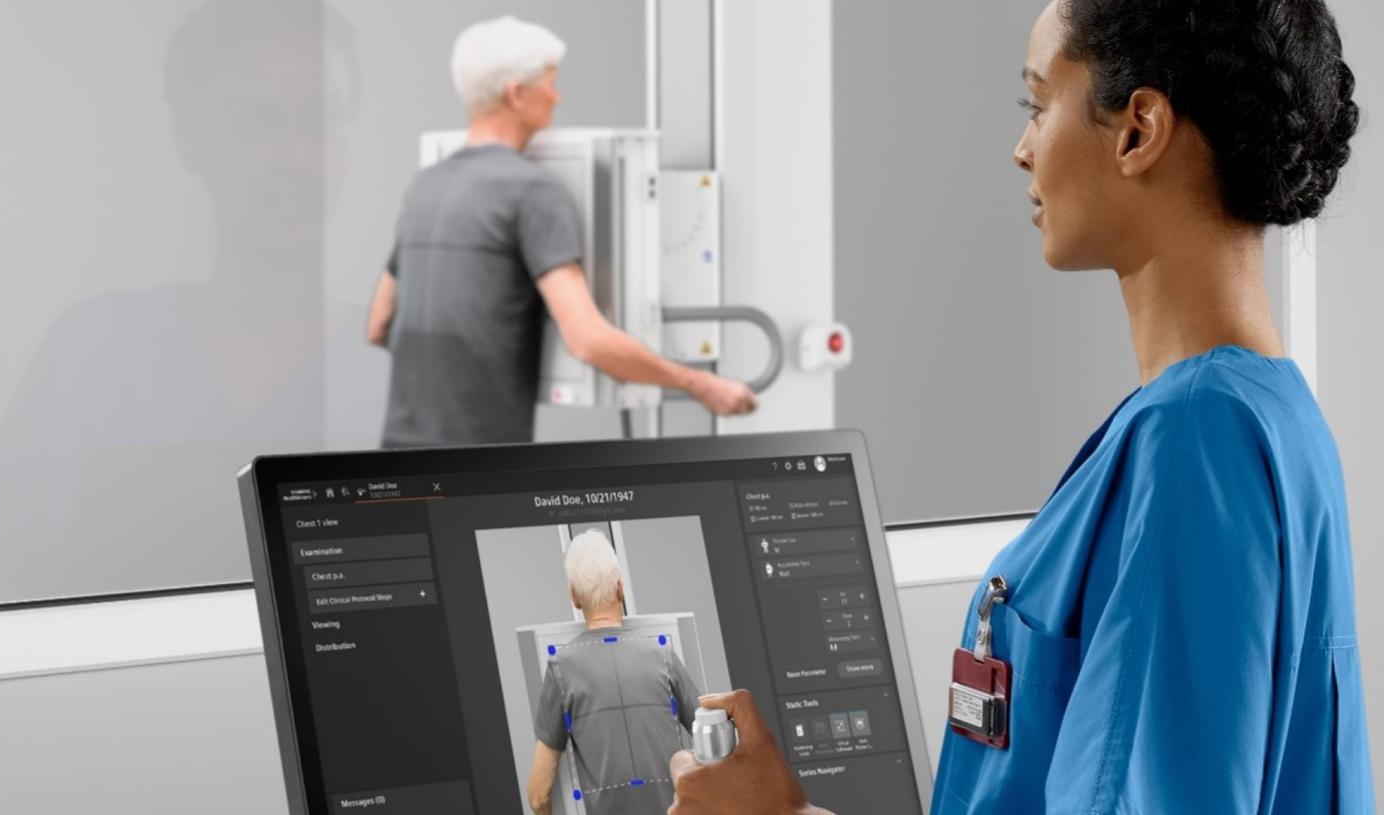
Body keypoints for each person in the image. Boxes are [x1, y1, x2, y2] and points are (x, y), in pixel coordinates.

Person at [667, 0, 1370, 813]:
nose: (1022, 148)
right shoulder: (1271, 413)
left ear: (1139, 129)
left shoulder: (1193, 438)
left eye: (1038, 104)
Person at [366, 16, 756, 448]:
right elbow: (588, 340)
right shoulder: (532, 191)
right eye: (550, 81)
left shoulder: (426, 184)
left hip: (397, 455)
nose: (557, 94)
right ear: (517, 93)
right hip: (476, 467)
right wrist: (700, 384)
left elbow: (379, 325)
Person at [528, 530, 702, 814]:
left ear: (574, 597)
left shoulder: (561, 669)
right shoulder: (663, 656)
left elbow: (538, 795)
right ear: (620, 588)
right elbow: (717, 750)